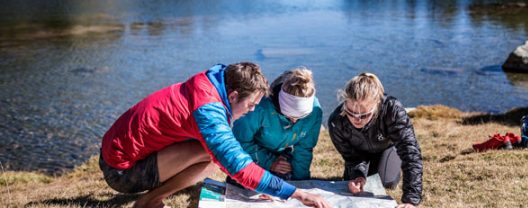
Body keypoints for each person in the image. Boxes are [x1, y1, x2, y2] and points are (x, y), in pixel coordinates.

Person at [100, 63, 329, 208]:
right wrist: (295, 193)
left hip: (124, 154)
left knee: (212, 150)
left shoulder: (212, 82)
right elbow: (235, 163)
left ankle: (153, 198)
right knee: (213, 155)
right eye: (250, 104)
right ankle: (149, 202)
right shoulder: (208, 111)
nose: (251, 110)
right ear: (233, 95)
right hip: (120, 171)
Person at [328, 73, 423, 208]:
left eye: (364, 114)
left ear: (376, 104)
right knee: (354, 185)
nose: (356, 119)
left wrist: (411, 200)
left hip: (387, 148)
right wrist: (358, 175)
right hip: (359, 152)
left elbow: (410, 153)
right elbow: (351, 156)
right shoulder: (336, 121)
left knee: (386, 182)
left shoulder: (392, 110)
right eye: (350, 112)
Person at [231, 67, 322, 182]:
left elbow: (304, 148)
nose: (294, 122)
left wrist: (301, 182)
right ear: (279, 106)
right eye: (289, 116)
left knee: (285, 180)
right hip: (253, 152)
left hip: (282, 153)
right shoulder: (258, 107)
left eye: (300, 118)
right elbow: (238, 141)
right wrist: (269, 162)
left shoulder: (315, 111)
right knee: (248, 182)